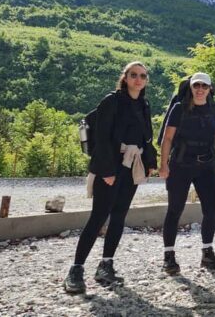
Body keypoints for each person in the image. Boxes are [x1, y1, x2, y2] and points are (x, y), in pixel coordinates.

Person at [64, 61, 157, 294]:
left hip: (132, 166)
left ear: (146, 80)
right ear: (125, 78)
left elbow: (146, 138)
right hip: (112, 166)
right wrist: (107, 171)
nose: (138, 79)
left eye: (142, 76)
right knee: (98, 217)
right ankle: (75, 270)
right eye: (133, 75)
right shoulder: (111, 102)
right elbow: (103, 138)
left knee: (119, 216)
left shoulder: (144, 105)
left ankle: (106, 265)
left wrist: (150, 163)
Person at [159, 72, 215, 275]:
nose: (200, 89)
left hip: (206, 165)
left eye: (204, 86)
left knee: (211, 210)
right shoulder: (180, 108)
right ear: (190, 87)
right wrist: (163, 165)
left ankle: (207, 253)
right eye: (196, 85)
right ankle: (169, 256)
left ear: (210, 89)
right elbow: (168, 138)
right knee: (175, 209)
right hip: (181, 164)